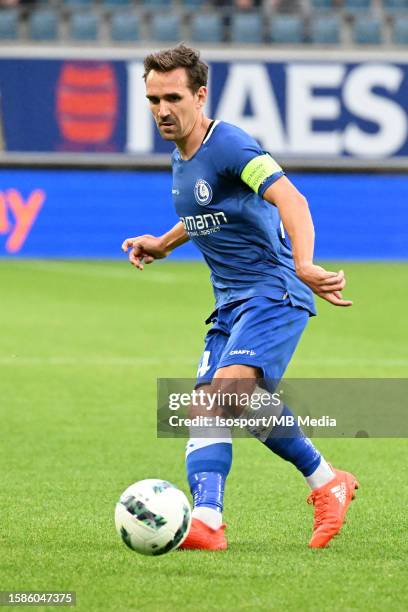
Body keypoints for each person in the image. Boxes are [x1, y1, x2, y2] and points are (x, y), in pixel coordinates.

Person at [122, 44, 359, 550]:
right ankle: (225, 515)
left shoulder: (230, 146)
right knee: (209, 405)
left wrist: (304, 263)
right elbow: (210, 211)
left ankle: (291, 492)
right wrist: (163, 243)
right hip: (230, 302)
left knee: (227, 391)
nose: (162, 110)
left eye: (172, 97)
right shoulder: (182, 157)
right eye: (152, 99)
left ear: (200, 95)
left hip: (274, 289)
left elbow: (289, 197)